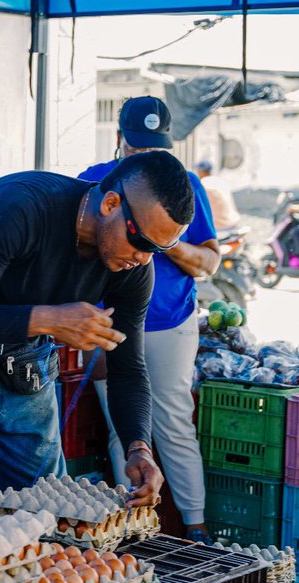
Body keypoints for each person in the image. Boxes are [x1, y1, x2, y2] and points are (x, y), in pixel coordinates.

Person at [0, 151, 195, 505]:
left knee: (47, 509)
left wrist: (138, 447)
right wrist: (50, 320)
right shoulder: (23, 207)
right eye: (142, 242)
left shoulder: (134, 268)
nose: (144, 258)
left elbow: (128, 366)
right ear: (110, 204)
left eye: (159, 249)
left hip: (23, 356)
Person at [80, 96, 219, 544]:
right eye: (135, 146)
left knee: (174, 422)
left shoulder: (184, 186)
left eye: (153, 149)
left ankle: (195, 527)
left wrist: (161, 236)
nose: (143, 155)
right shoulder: (93, 181)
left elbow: (209, 262)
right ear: (118, 139)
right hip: (111, 324)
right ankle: (131, 533)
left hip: (170, 323)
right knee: (122, 430)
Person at [195, 160, 241, 231]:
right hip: (233, 221)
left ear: (200, 171)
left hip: (219, 226)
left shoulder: (203, 184)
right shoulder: (220, 181)